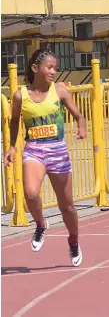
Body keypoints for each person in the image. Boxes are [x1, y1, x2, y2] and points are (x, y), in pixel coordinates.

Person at [4, 49, 86, 267]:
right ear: (35, 68)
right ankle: (41, 224)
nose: (53, 71)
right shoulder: (20, 95)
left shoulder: (59, 91)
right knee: (30, 193)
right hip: (34, 150)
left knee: (67, 206)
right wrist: (12, 147)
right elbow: (13, 122)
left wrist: (81, 126)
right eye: (49, 67)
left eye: (55, 68)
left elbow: (78, 115)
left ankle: (73, 240)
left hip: (57, 150)